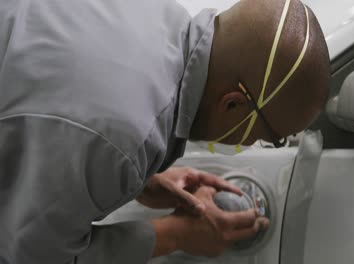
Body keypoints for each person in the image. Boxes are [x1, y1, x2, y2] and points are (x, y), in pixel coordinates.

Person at [0, 0, 330, 263]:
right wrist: (177, 234)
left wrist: (144, 181)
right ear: (232, 105)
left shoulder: (153, 14)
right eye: (269, 137)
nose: (253, 145)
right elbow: (32, 255)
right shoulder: (122, 139)